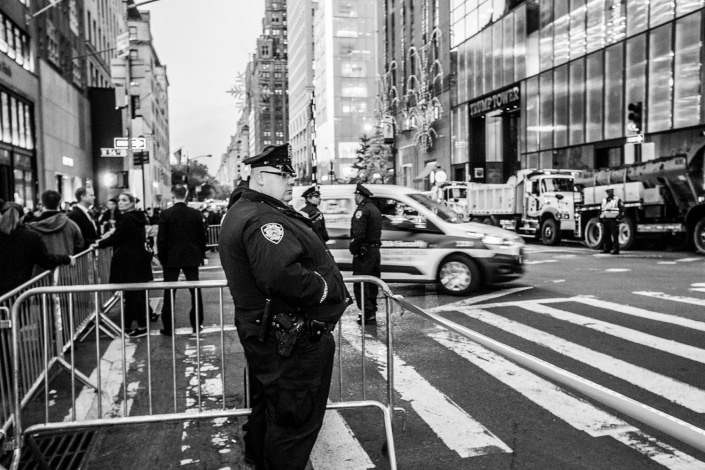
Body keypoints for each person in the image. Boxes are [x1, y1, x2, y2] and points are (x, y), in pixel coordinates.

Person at [218, 144, 350, 470]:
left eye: (292, 174)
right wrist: (325, 289)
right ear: (261, 177)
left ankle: (256, 459)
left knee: (272, 407)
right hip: (289, 338)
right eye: (284, 174)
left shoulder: (250, 209)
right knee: (294, 423)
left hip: (271, 331)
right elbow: (280, 275)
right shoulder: (261, 217)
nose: (292, 181)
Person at [93, 192, 154, 338]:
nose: (120, 203)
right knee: (134, 295)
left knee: (133, 296)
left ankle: (141, 326)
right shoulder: (137, 217)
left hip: (128, 262)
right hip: (137, 261)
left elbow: (117, 237)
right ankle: (130, 326)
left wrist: (99, 244)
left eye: (124, 200)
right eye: (119, 200)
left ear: (132, 203)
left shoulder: (127, 219)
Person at [157, 184, 207, 336]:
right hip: (191, 256)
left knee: (169, 293)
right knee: (195, 291)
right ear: (186, 195)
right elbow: (201, 237)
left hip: (171, 257)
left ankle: (168, 326)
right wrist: (201, 254)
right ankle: (197, 324)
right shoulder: (195, 214)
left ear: (173, 195)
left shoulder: (166, 214)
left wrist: (162, 257)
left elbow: (162, 239)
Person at [0, 202, 73, 296]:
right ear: (22, 217)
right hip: (18, 291)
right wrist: (67, 259)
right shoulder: (31, 237)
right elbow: (46, 261)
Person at [350, 183, 382, 325]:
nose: (355, 199)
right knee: (372, 283)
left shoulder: (362, 211)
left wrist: (354, 249)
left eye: (355, 196)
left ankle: (366, 313)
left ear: (359, 195)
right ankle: (372, 311)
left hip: (365, 252)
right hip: (375, 251)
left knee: (361, 283)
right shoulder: (374, 209)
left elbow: (358, 234)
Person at [26, 190, 84, 257]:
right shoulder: (71, 224)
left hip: (40, 266)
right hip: (65, 264)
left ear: (43, 203)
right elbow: (79, 244)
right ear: (59, 203)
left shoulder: (31, 227)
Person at [68, 186, 99, 253]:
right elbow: (77, 237)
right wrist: (95, 241)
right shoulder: (75, 214)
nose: (94, 197)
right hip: (83, 252)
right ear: (82, 197)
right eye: (91, 195)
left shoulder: (88, 212)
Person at [599, 187, 625, 255]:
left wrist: (619, 218)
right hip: (605, 220)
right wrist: (600, 219)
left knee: (615, 235)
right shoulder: (604, 200)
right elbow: (601, 210)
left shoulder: (617, 200)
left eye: (611, 191)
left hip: (613, 220)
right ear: (607, 192)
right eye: (609, 191)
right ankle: (607, 248)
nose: (610, 192)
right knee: (606, 235)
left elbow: (623, 209)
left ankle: (616, 249)